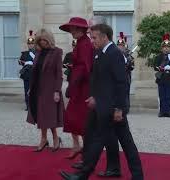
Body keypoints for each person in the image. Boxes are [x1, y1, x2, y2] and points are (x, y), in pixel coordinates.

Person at [60, 23, 144, 180]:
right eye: (91, 37)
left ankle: (84, 175)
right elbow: (98, 80)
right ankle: (92, 172)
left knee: (116, 142)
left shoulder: (115, 54)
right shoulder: (99, 53)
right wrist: (94, 96)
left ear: (105, 37)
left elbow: (122, 83)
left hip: (112, 108)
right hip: (101, 105)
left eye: (95, 37)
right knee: (96, 138)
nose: (92, 40)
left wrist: (119, 108)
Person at [70, 16, 122, 178]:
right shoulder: (97, 49)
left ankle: (98, 168)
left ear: (102, 31)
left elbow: (119, 82)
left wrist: (118, 107)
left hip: (107, 102)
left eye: (92, 29)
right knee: (94, 132)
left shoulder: (110, 51)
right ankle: (87, 166)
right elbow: (95, 76)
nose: (89, 32)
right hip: (97, 98)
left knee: (107, 136)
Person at [59, 17, 93, 159]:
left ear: (81, 30)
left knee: (81, 119)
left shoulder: (85, 44)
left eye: (74, 29)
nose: (71, 32)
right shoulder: (80, 43)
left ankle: (86, 150)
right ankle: (77, 145)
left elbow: (86, 68)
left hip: (82, 87)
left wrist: (73, 85)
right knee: (73, 117)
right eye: (71, 29)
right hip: (78, 86)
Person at [26, 28, 64, 152]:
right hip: (37, 88)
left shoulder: (57, 52)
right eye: (40, 40)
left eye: (44, 40)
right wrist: (30, 89)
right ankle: (44, 139)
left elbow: (59, 73)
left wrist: (57, 91)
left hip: (51, 89)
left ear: (49, 39)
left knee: (49, 116)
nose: (42, 42)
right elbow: (35, 72)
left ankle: (54, 138)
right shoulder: (38, 52)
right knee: (40, 115)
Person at [154, 33, 170, 118]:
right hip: (161, 78)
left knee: (169, 96)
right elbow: (155, 67)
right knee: (162, 96)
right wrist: (161, 68)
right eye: (165, 47)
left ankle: (168, 112)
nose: (166, 48)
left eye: (168, 47)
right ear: (162, 48)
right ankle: (162, 112)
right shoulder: (158, 57)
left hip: (169, 78)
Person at [117, 32, 135, 114]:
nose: (120, 47)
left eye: (122, 45)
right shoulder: (115, 54)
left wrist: (127, 62)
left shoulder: (129, 55)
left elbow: (132, 67)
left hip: (126, 76)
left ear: (125, 46)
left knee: (126, 93)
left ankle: (126, 108)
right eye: (119, 45)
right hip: (117, 77)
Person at [19, 30, 35, 111]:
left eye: (32, 44)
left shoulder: (37, 53)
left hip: (35, 74)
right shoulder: (24, 53)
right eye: (29, 44)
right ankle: (28, 105)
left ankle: (34, 105)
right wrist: (23, 62)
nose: (30, 45)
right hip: (27, 74)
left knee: (35, 90)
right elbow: (20, 62)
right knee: (26, 89)